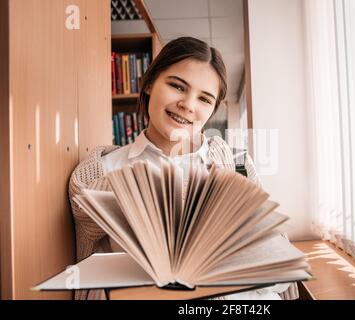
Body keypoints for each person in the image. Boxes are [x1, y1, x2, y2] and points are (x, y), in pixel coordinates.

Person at [69, 36, 298, 300]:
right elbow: (90, 278)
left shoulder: (238, 166)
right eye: (178, 86)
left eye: (204, 99)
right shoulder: (101, 173)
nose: (188, 105)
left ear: (211, 111)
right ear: (150, 83)